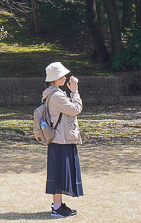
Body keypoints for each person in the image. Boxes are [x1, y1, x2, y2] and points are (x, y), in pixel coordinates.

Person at [42, 61, 83, 218]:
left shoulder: (51, 93)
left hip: (59, 138)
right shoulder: (57, 96)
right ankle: (57, 208)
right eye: (62, 76)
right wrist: (75, 92)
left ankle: (58, 205)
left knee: (59, 174)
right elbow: (76, 109)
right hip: (61, 139)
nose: (65, 77)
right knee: (60, 175)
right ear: (56, 78)